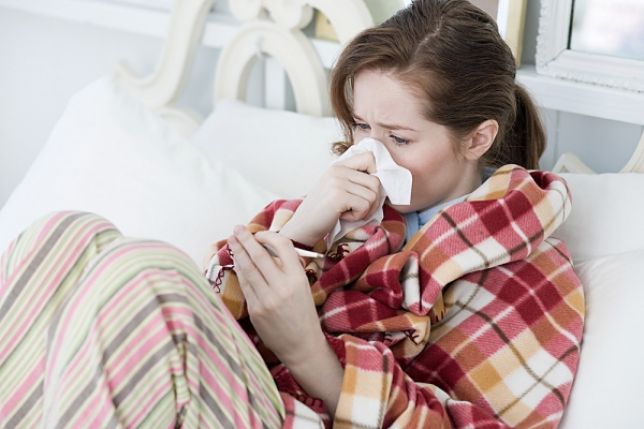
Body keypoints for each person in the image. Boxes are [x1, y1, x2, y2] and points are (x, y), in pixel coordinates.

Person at [0, 0, 584, 428]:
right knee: (64, 236)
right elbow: (212, 310)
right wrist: (302, 228)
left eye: (400, 138)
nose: (370, 153)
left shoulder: (533, 276)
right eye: (361, 126)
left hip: (305, 412)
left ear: (478, 138)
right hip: (239, 391)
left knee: (150, 278)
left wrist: (310, 354)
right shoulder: (341, 210)